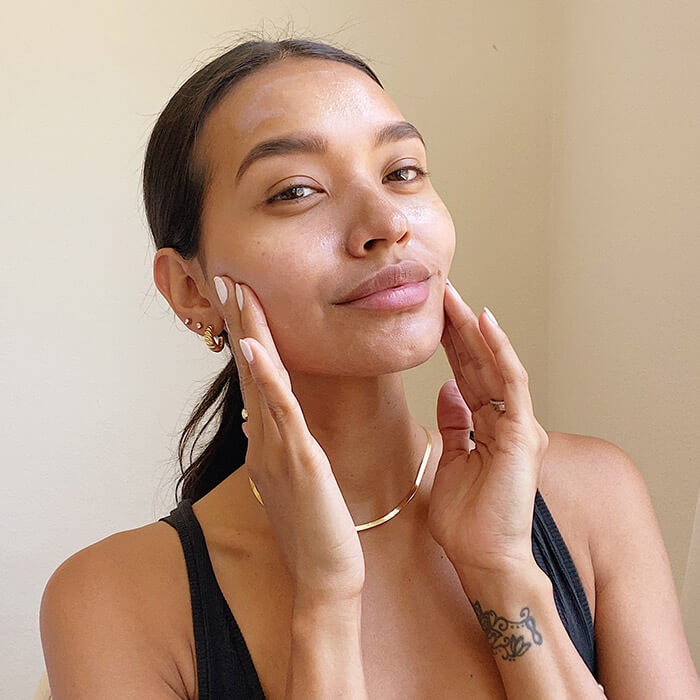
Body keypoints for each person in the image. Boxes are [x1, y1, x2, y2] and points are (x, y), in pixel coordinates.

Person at [39, 35, 700, 699]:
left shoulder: (592, 499)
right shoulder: (114, 600)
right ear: (191, 288)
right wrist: (324, 602)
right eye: (297, 190)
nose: (386, 221)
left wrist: (501, 569)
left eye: (401, 172)